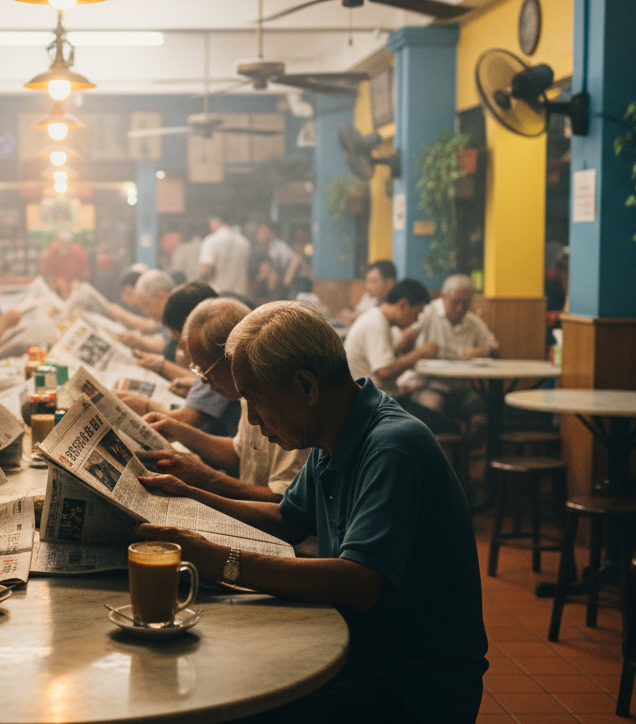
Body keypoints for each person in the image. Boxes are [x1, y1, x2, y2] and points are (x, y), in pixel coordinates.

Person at [136, 301, 486, 724]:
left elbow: (359, 582)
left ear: (305, 386)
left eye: (256, 401)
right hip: (359, 647)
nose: (254, 421)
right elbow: (286, 517)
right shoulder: (331, 432)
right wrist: (188, 494)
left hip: (410, 680)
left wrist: (221, 563)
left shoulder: (394, 446)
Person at [140, 297, 305, 500]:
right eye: (196, 369)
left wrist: (209, 479)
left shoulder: (288, 406)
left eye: (204, 368)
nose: (203, 380)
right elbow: (242, 454)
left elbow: (289, 506)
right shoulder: (247, 395)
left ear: (233, 355)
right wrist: (179, 431)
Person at [118, 282, 241, 439]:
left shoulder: (216, 356)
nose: (182, 352)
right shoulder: (214, 368)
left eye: (182, 343)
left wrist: (146, 406)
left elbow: (189, 419)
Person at [345, 279, 456, 434]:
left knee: (436, 416)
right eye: (417, 313)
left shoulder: (378, 319)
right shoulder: (376, 323)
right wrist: (419, 353)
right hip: (373, 407)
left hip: (373, 401)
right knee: (448, 427)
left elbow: (382, 365)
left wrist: (399, 351)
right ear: (403, 305)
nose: (416, 320)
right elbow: (384, 372)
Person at [395, 274, 499, 418]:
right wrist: (410, 340)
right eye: (455, 302)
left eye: (466, 303)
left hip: (458, 388)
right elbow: (406, 335)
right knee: (433, 406)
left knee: (484, 408)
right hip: (425, 383)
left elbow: (494, 347)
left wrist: (484, 351)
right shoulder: (427, 311)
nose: (460, 308)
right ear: (443, 296)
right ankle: (437, 440)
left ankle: (467, 441)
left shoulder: (473, 322)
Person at [117, 270, 176, 356]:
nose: (146, 313)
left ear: (162, 297)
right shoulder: (167, 319)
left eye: (146, 305)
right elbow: (165, 340)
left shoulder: (179, 317)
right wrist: (139, 342)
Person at [199, 215, 251, 296]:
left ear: (216, 221)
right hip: (241, 294)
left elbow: (206, 270)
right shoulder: (244, 242)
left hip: (218, 294)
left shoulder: (211, 241)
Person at [339, 260, 397, 325]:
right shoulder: (375, 299)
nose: (369, 287)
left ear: (389, 283)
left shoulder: (397, 305)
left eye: (374, 282)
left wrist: (354, 317)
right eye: (368, 281)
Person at [255, 222, 301, 302]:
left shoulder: (280, 248)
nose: (260, 234)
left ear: (272, 232)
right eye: (259, 232)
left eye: (263, 231)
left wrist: (285, 284)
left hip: (285, 291)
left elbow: (296, 261)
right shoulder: (265, 248)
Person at [40, 228, 90, 299]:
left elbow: (85, 275)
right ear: (58, 242)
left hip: (74, 287)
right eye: (62, 243)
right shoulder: (50, 252)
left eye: (67, 243)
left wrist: (76, 284)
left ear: (71, 243)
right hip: (56, 288)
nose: (64, 245)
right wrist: (55, 286)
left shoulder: (79, 252)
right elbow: (47, 274)